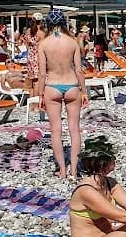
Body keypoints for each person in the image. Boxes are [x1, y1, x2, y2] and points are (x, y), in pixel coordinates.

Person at [37, 10, 88, 180]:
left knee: (55, 130)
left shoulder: (43, 44)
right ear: (64, 23)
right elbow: (79, 70)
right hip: (72, 84)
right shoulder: (72, 42)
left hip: (52, 86)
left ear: (48, 24)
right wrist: (84, 91)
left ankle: (62, 172)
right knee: (75, 129)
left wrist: (40, 95)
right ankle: (74, 170)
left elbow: (42, 74)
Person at [24, 13, 46, 96]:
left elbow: (27, 45)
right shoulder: (41, 33)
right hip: (38, 58)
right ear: (41, 21)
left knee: (32, 82)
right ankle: (36, 103)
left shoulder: (28, 31)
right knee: (37, 81)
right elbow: (43, 47)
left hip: (30, 57)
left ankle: (31, 102)